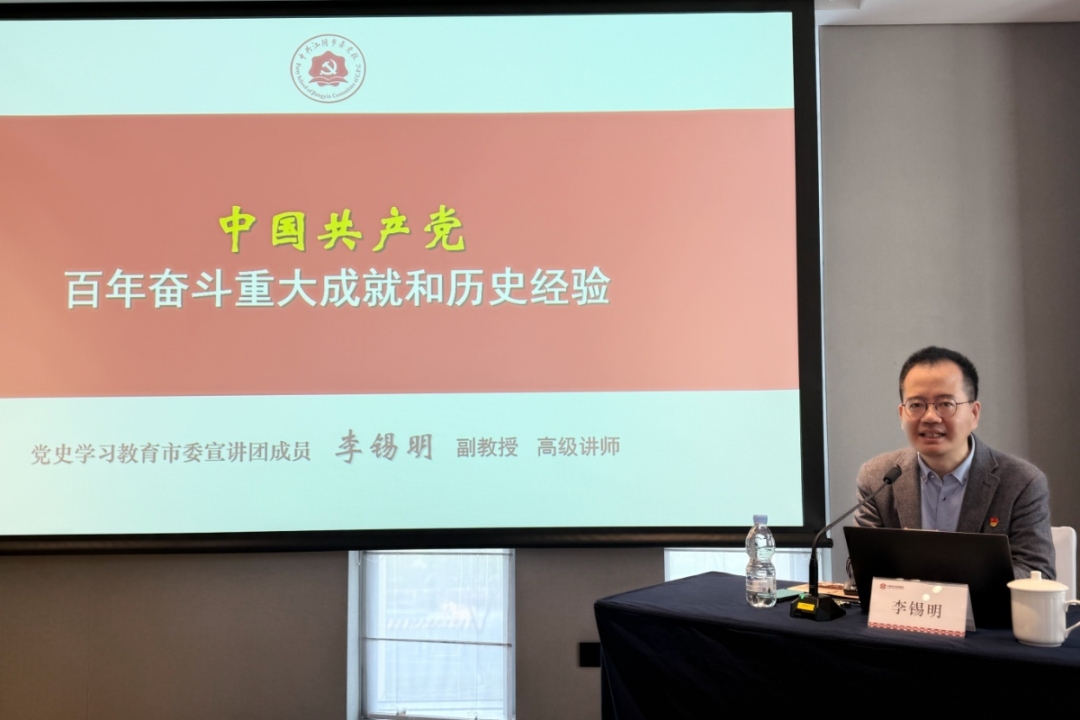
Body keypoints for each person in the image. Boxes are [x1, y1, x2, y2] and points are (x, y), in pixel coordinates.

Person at [854, 346, 1055, 579]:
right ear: (902, 414)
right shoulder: (877, 477)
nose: (930, 417)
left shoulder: (1022, 482)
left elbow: (1037, 573)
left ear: (974, 413)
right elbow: (860, 564)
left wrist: (946, 574)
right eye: (916, 405)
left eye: (946, 404)